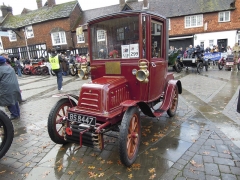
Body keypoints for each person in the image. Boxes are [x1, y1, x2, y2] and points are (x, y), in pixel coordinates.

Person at [0, 56, 21, 120]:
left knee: (9, 101)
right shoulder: (10, 67)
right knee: (15, 100)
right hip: (14, 86)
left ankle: (14, 114)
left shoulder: (0, 69)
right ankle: (17, 113)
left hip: (6, 88)